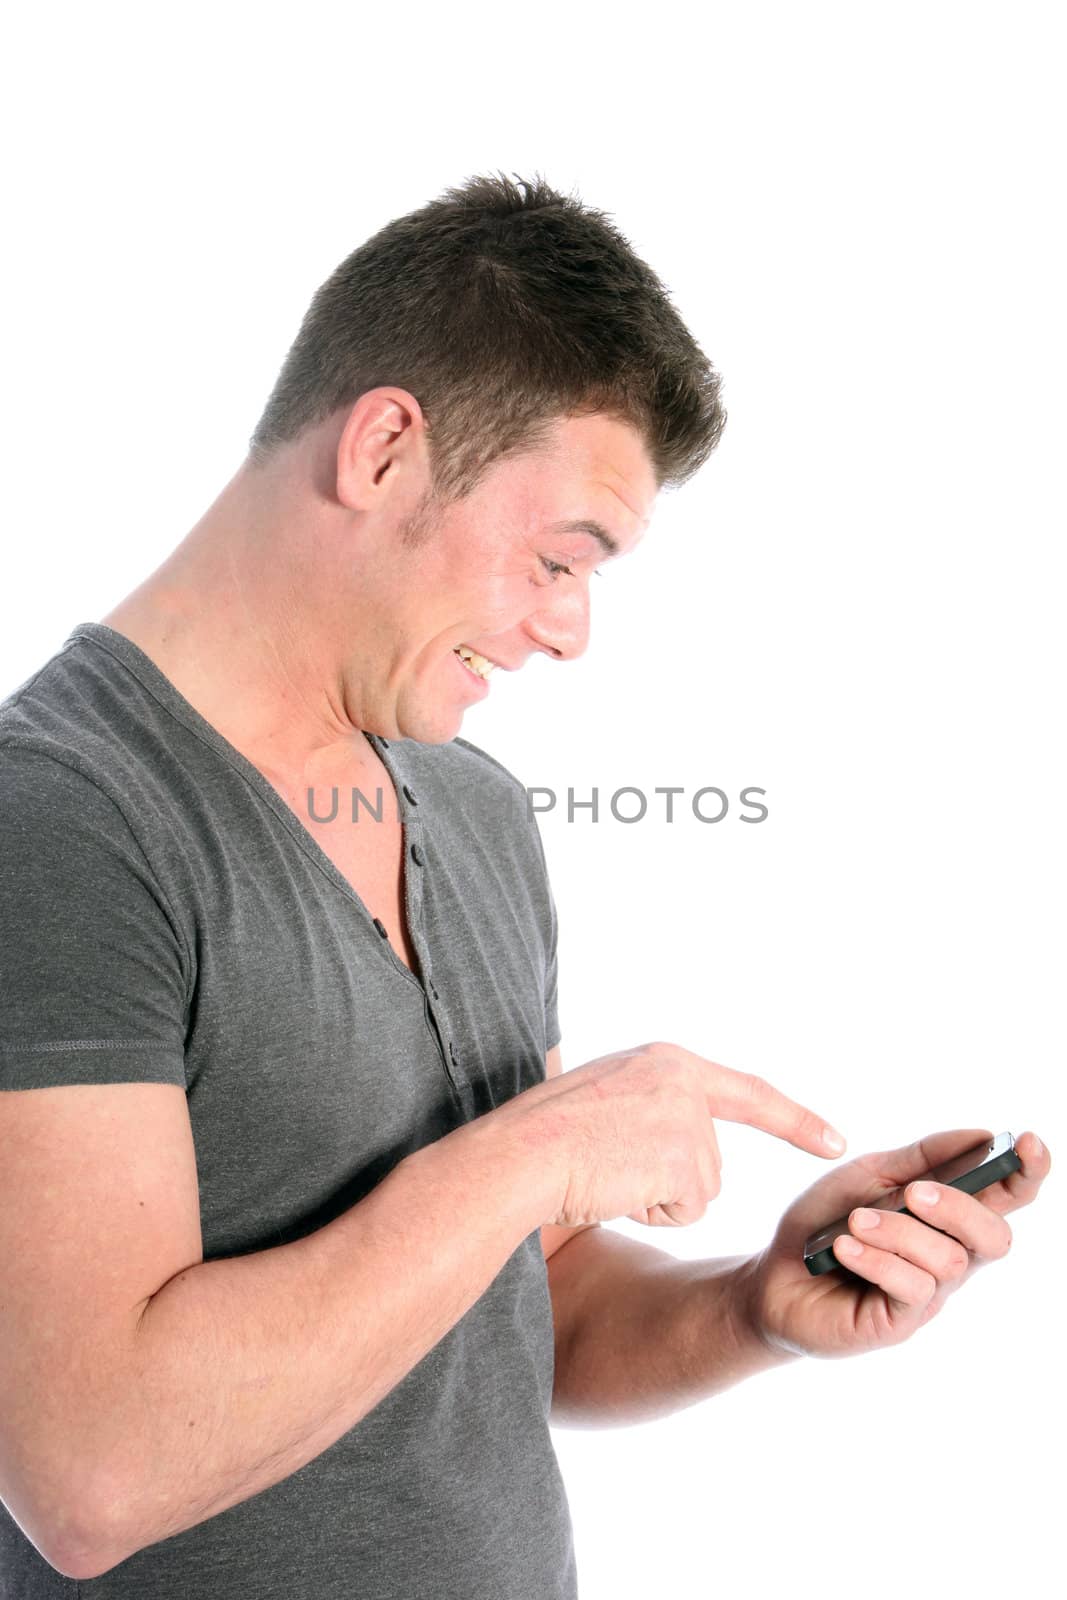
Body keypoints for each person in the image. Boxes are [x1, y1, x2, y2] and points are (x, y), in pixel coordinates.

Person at [0, 172, 1049, 1599]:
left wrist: (758, 1305)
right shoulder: (61, 815)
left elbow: (528, 1300)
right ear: (381, 451)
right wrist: (539, 1146)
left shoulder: (477, 812)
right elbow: (91, 1472)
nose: (573, 629)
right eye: (562, 558)